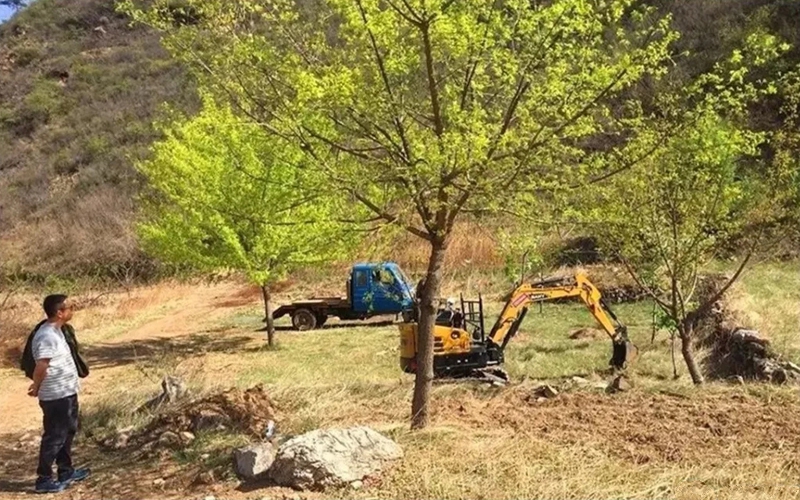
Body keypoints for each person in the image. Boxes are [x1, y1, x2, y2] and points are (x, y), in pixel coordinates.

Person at [28, 294, 90, 493]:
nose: (73, 310)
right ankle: (43, 479)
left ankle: (66, 471)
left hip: (67, 392)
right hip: (55, 396)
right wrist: (36, 387)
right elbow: (41, 365)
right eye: (69, 307)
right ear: (59, 312)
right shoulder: (46, 336)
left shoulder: (58, 331)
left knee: (68, 432)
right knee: (55, 436)